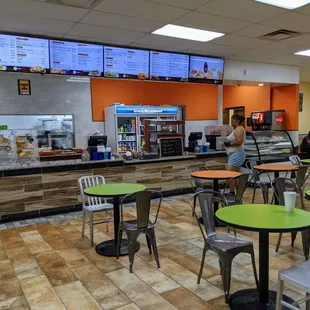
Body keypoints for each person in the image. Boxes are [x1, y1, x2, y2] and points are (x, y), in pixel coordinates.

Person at [224, 115, 246, 194]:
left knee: (228, 174)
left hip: (237, 154)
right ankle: (238, 194)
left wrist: (229, 143)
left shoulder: (239, 129)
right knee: (235, 175)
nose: (231, 123)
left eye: (232, 121)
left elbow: (239, 141)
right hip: (234, 154)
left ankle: (232, 192)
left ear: (237, 121)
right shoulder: (236, 129)